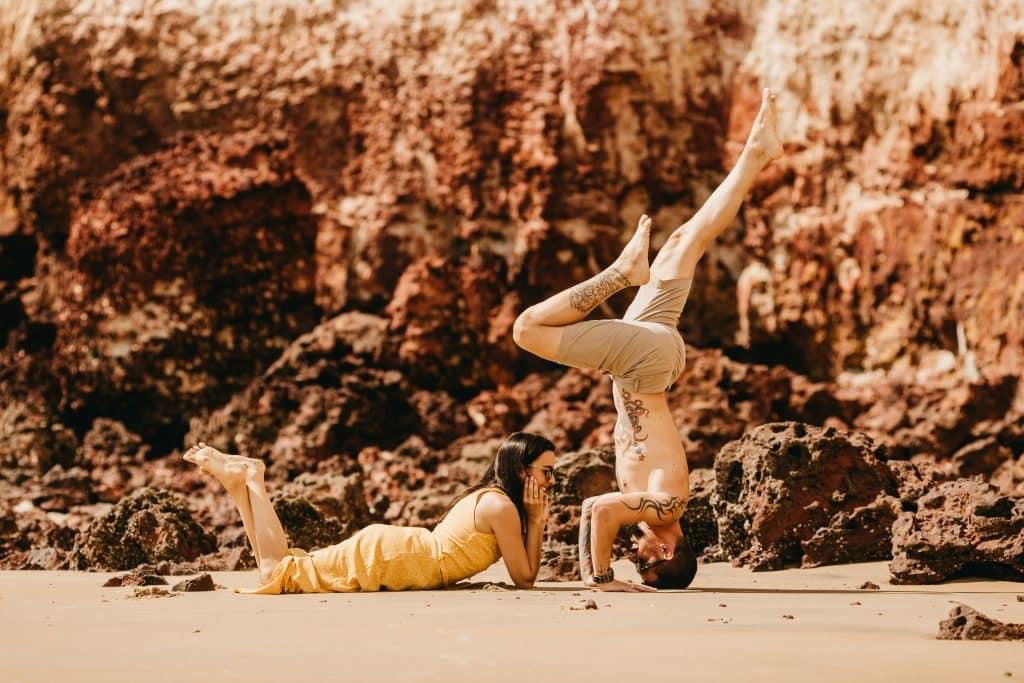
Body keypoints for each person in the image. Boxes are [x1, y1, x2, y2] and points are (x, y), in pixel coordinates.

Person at [512, 88, 783, 591]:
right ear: (666, 548)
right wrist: (600, 578)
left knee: (685, 241)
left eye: (633, 563)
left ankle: (757, 153)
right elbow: (600, 509)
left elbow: (598, 510)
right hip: (643, 364)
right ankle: (620, 272)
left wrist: (596, 575)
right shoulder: (667, 504)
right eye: (645, 561)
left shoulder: (654, 508)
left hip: (650, 357)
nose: (635, 556)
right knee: (527, 329)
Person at [182, 432, 556, 593]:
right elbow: (524, 578)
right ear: (522, 471)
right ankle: (252, 477)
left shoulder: (497, 500)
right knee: (276, 573)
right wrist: (537, 520)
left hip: (403, 555)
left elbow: (524, 571)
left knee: (280, 569)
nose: (551, 481)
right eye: (547, 471)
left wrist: (535, 518)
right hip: (399, 557)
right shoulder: (500, 505)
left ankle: (238, 489)